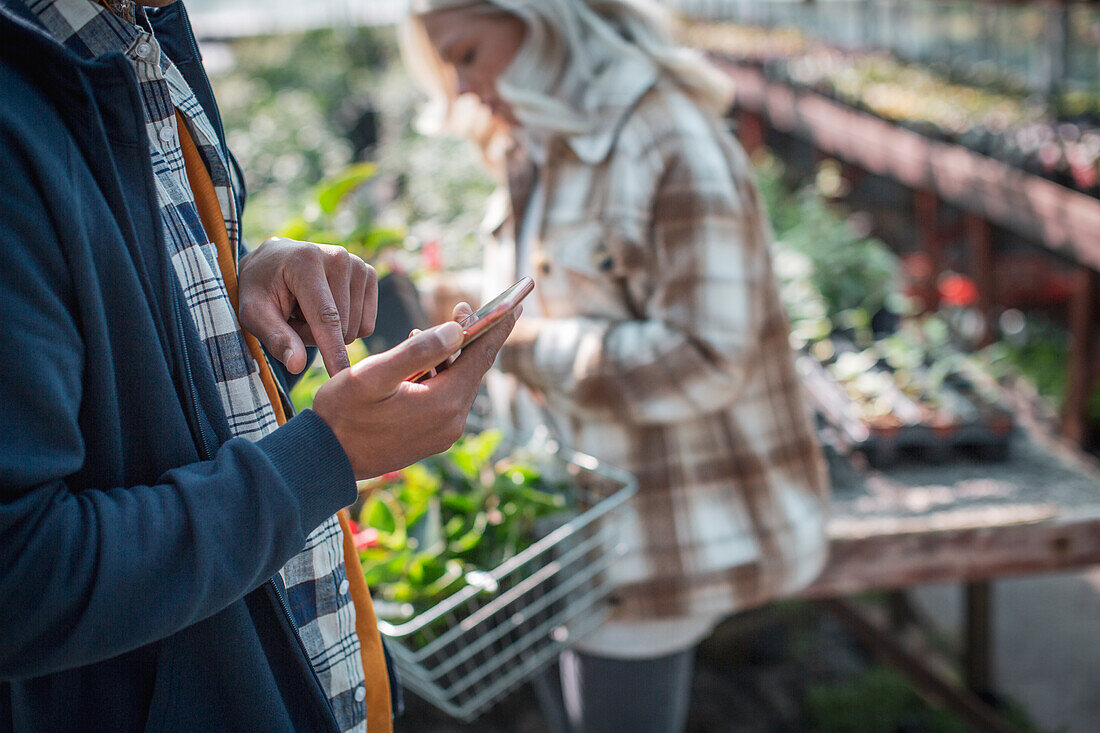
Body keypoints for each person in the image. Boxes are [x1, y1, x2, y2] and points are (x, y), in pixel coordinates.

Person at [0, 0, 517, 730]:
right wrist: (324, 455)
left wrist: (236, 289)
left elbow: (125, 389)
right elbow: (22, 580)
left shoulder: (143, 39)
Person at [400, 1, 831, 730]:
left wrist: (515, 342)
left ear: (541, 18)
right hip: (589, 537)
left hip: (656, 546)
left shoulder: (665, 139)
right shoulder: (542, 138)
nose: (463, 87)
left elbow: (703, 357)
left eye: (467, 54)